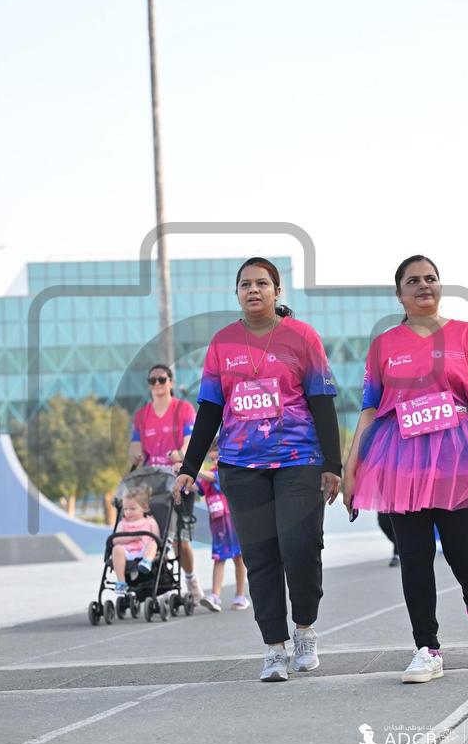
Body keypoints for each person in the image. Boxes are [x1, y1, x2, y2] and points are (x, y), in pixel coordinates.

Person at [343, 255, 468, 684]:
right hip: (400, 459)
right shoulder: (384, 345)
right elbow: (369, 410)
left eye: (431, 278)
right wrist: (351, 468)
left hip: (458, 455)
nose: (424, 285)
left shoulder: (467, 335)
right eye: (413, 280)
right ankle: (427, 648)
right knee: (415, 557)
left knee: (466, 552)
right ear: (399, 294)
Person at [173, 257, 342, 681]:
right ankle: (275, 648)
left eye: (262, 283)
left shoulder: (302, 336)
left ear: (277, 291)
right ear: (237, 293)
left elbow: (322, 400)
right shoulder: (222, 342)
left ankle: (304, 628)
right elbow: (210, 409)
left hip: (299, 460)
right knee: (261, 556)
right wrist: (190, 466)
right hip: (240, 465)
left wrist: (333, 463)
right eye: (245, 284)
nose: (253, 290)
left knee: (300, 547)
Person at [129, 364, 204, 604]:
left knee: (180, 540)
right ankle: (160, 582)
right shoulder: (141, 416)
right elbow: (135, 446)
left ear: (171, 382)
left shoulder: (184, 409)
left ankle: (191, 581)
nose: (157, 384)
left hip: (178, 480)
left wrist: (179, 454)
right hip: (151, 485)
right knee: (151, 535)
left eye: (162, 379)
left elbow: (190, 442)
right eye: (152, 381)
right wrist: (135, 456)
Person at [196, 437, 250, 612]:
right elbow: (198, 487)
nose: (214, 462)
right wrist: (182, 475)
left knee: (239, 558)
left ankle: (240, 595)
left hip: (235, 523)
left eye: (217, 458)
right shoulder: (209, 473)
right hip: (219, 527)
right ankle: (215, 596)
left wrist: (194, 469)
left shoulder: (228, 472)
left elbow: (213, 478)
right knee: (219, 558)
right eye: (211, 459)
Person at [112, 485, 160, 594]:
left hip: (144, 552)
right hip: (127, 552)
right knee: (116, 549)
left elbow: (157, 539)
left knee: (153, 543)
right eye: (125, 509)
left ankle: (147, 562)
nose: (128, 512)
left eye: (132, 509)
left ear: (144, 507)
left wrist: (159, 552)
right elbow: (115, 540)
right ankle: (121, 582)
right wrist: (133, 537)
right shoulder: (123, 523)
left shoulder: (150, 522)